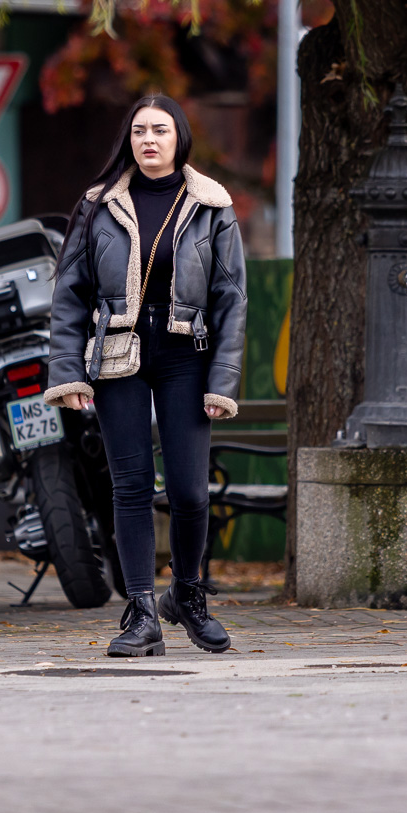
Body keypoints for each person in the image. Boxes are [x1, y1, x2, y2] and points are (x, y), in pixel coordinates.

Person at [44, 95, 247, 657]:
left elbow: (231, 298)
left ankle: (186, 595)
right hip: (118, 353)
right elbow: (69, 294)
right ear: (128, 140)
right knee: (130, 487)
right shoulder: (98, 205)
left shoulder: (212, 205)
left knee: (189, 490)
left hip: (186, 354)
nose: (149, 139)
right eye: (138, 131)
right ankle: (140, 612)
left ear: (180, 137)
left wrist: (222, 382)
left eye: (160, 130)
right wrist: (69, 372)